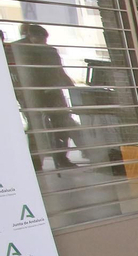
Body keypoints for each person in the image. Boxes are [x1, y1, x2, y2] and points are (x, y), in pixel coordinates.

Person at [12, 23, 84, 171]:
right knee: (36, 128)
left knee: (62, 125)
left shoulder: (49, 51)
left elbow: (58, 71)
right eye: (40, 40)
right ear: (31, 37)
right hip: (32, 95)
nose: (43, 44)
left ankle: (60, 158)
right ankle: (36, 162)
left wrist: (70, 86)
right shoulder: (16, 50)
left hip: (52, 94)